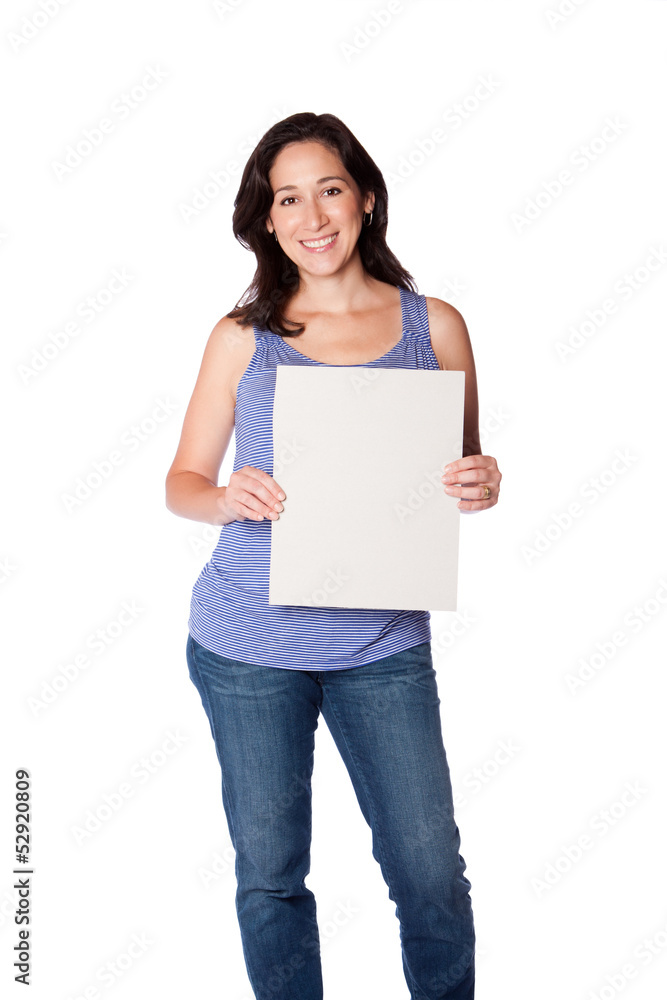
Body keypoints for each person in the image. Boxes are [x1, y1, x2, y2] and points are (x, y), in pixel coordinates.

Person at [165, 111, 501, 1000]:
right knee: (272, 876)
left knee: (430, 877)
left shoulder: (437, 327)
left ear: (366, 199)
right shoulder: (243, 336)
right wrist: (224, 495)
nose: (313, 216)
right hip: (247, 647)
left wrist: (483, 480)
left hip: (382, 645)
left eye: (330, 190)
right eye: (288, 198)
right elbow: (183, 481)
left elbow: (460, 474)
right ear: (267, 220)